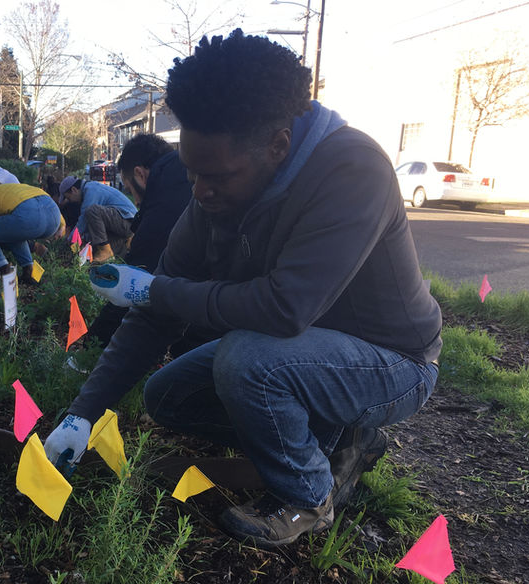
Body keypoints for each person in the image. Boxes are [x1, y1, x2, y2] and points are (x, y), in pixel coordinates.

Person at [43, 30, 442, 548]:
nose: (200, 191)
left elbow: (284, 309)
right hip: (298, 354)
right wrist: (82, 411)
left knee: (247, 362)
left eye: (217, 176)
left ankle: (307, 495)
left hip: (392, 363)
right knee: (167, 396)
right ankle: (336, 438)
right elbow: (155, 311)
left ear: (278, 144)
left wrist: (153, 291)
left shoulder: (352, 168)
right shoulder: (212, 195)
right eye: (191, 173)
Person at [87, 133, 192, 347]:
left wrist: (91, 343)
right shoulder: (182, 172)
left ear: (139, 174)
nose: (135, 200)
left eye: (129, 188)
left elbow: (135, 281)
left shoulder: (165, 204)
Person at [0, 177, 65, 284]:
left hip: (30, 217)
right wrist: (62, 226)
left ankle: (4, 270)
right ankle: (28, 271)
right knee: (11, 234)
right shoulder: (3, 190)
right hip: (54, 218)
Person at [58, 175, 137, 262]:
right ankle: (120, 249)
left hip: (127, 221)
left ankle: (104, 250)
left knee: (92, 210)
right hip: (123, 224)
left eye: (69, 198)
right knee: (98, 259)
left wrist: (69, 242)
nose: (70, 201)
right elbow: (93, 227)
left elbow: (83, 222)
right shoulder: (89, 190)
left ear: (74, 190)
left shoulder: (91, 190)